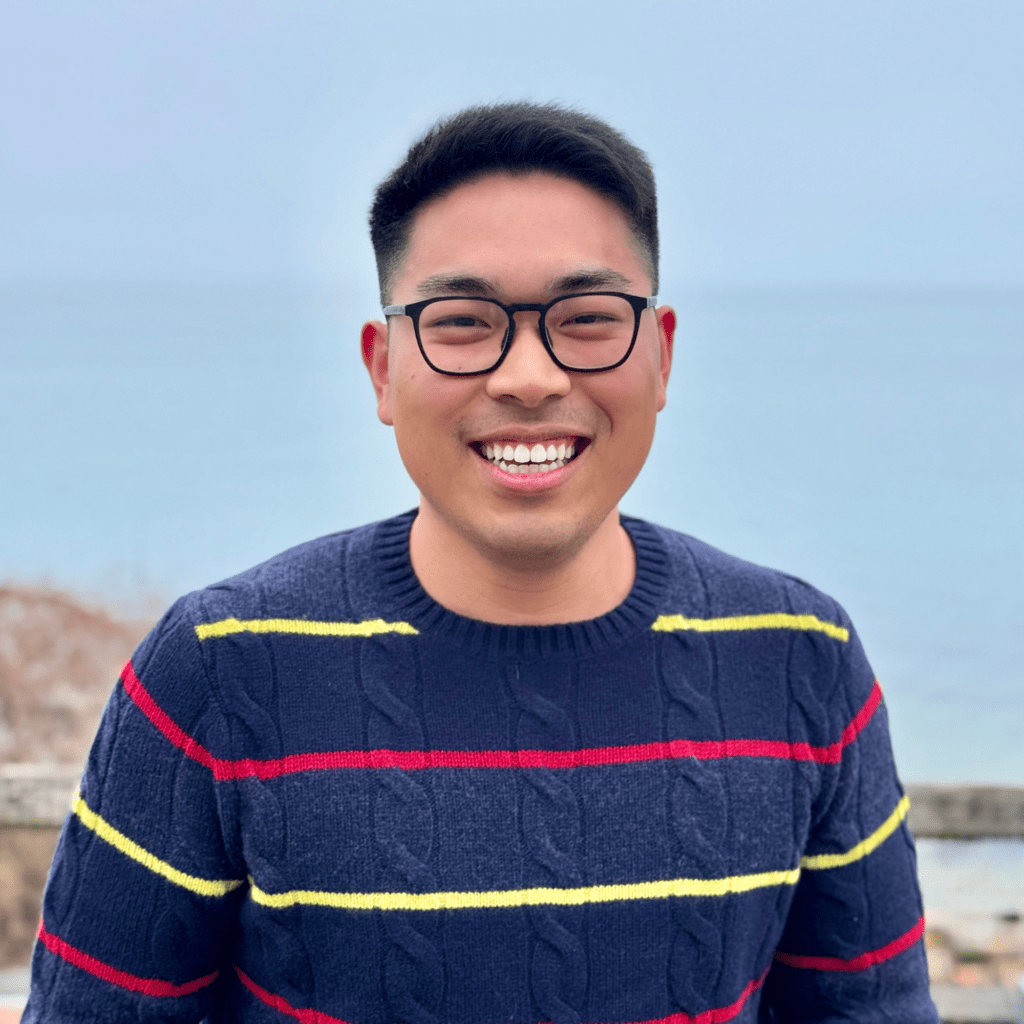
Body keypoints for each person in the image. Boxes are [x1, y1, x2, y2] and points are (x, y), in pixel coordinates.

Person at [24, 103, 938, 1024]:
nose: (530, 378)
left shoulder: (798, 657)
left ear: (662, 355)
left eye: (588, 318)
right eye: (461, 321)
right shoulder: (222, 667)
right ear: (383, 369)